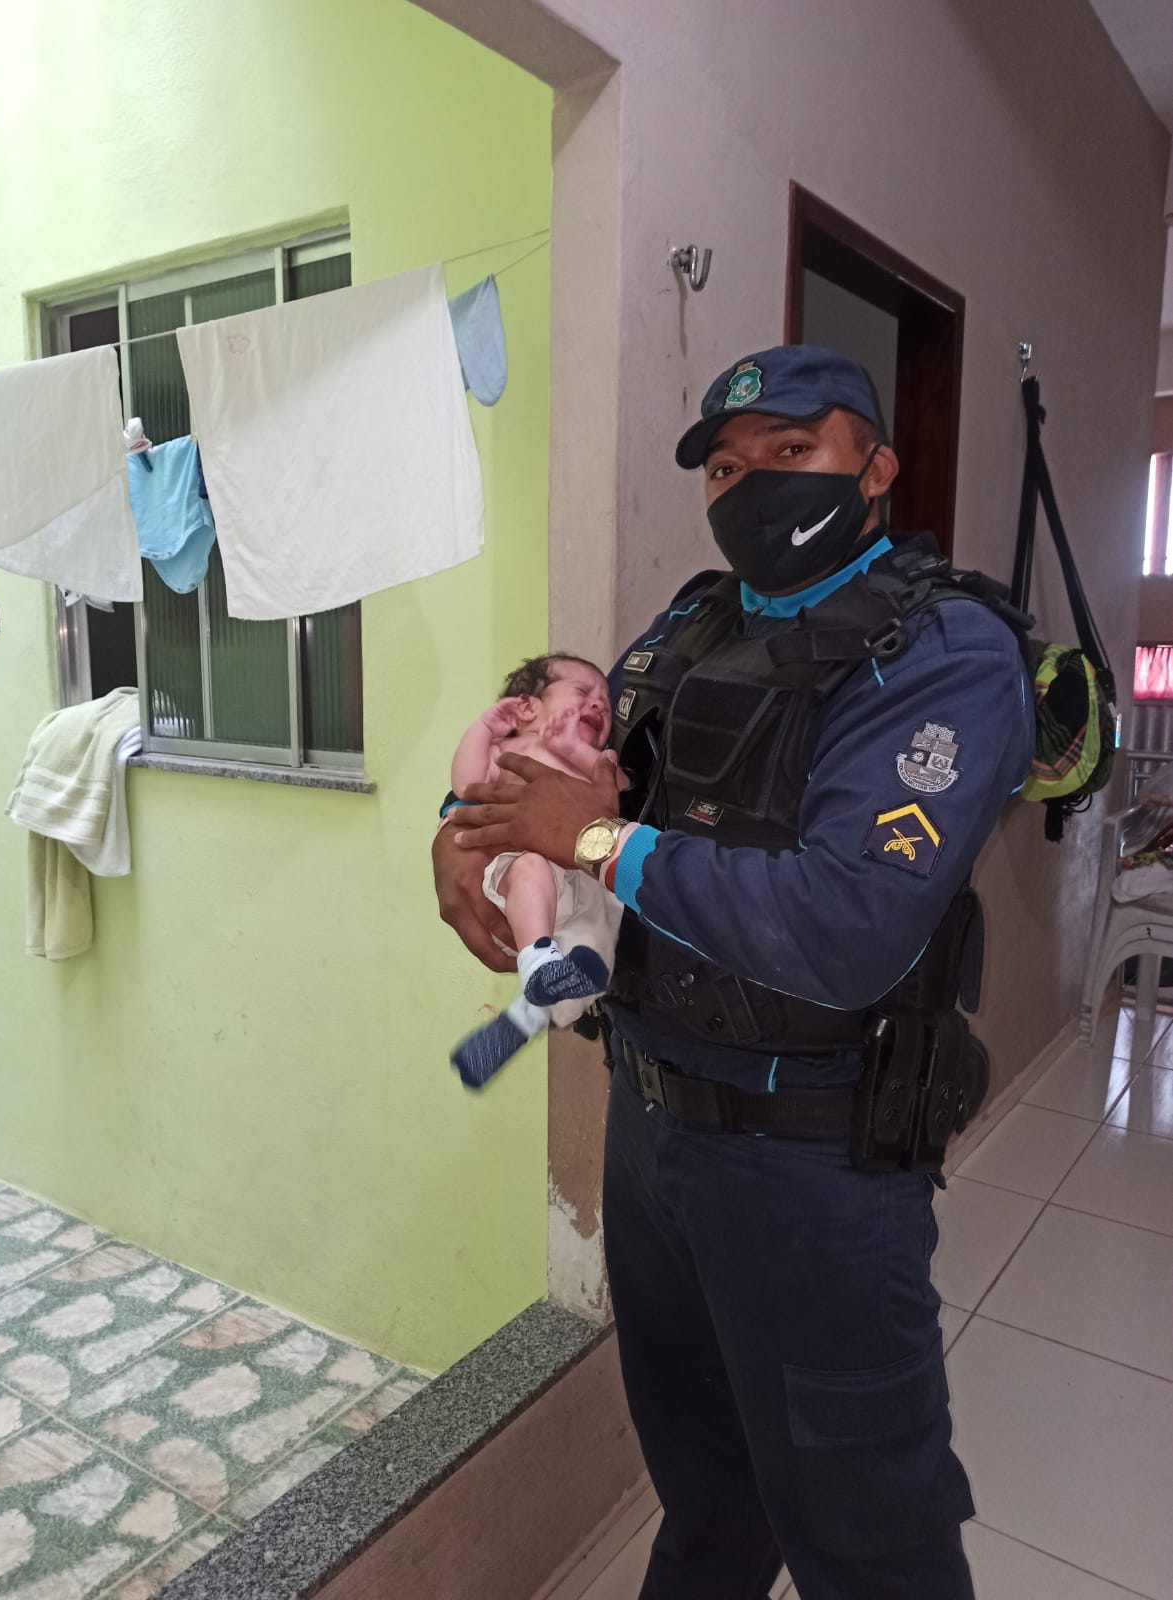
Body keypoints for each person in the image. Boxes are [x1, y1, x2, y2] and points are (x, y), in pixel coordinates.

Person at [433, 344, 1034, 1599]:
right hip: (651, 1128)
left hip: (810, 1161)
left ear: (875, 467)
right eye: (723, 465)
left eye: (790, 451)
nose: (751, 483)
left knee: (869, 1540)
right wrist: (462, 825)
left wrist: (594, 842)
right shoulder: (694, 623)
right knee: (708, 1498)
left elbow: (845, 924)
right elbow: (577, 771)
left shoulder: (946, 652)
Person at [447, 653, 624, 1088]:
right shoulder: (509, 750)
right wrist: (485, 728)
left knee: (596, 952)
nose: (598, 704)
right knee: (531, 871)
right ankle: (537, 959)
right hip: (527, 872)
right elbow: (465, 784)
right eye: (582, 692)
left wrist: (573, 748)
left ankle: (525, 1018)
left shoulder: (596, 758)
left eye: (605, 701)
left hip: (586, 881)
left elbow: (621, 791)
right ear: (526, 708)